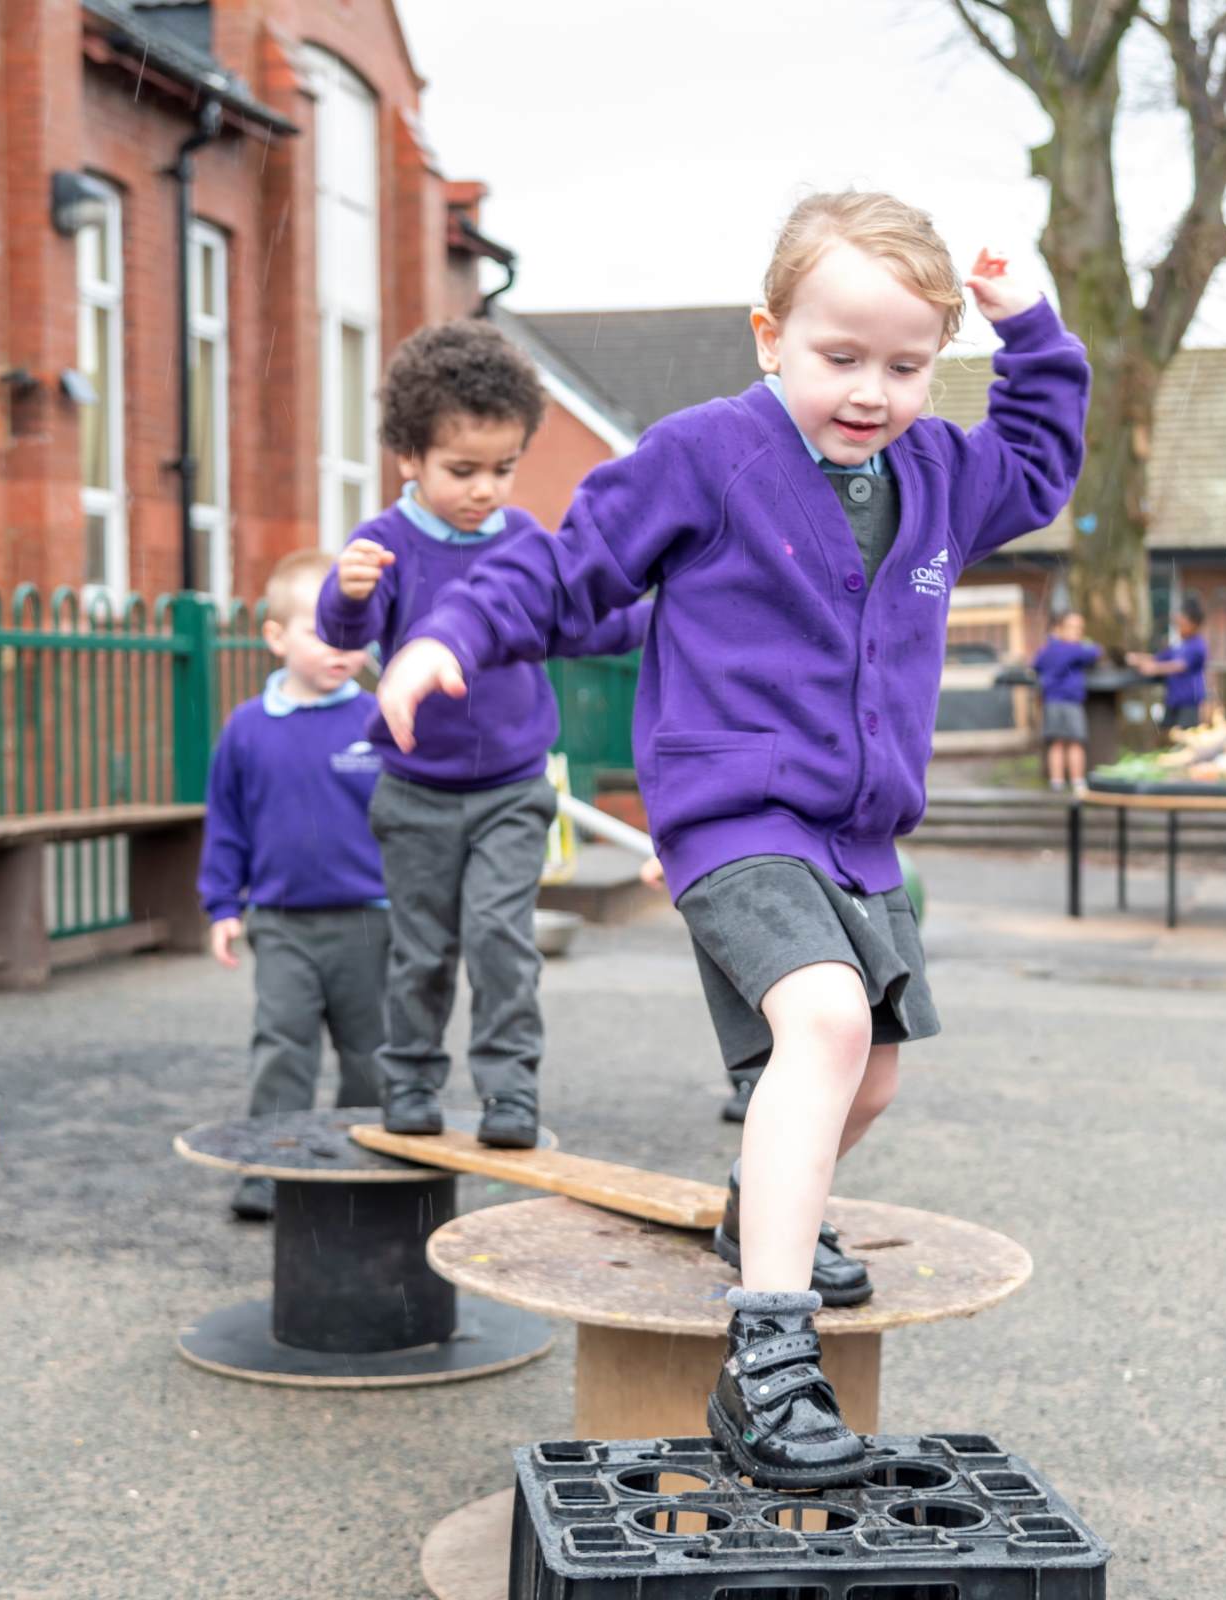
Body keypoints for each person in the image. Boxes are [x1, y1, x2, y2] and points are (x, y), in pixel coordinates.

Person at [372, 193, 1089, 1486]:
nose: (870, 390)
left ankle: (760, 1216)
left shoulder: (935, 475)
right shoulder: (705, 456)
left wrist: (1029, 328)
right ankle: (766, 1367)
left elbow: (1039, 460)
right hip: (733, 817)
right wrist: (444, 635)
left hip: (861, 839)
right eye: (839, 356)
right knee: (822, 1025)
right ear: (771, 337)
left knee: (866, 1077)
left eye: (905, 364)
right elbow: (563, 564)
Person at [316, 321, 649, 1151]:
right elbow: (345, 633)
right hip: (416, 793)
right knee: (422, 949)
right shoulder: (385, 544)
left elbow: (580, 625)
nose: (485, 490)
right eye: (462, 471)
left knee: (502, 942)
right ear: (410, 460)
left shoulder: (527, 544)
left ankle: (509, 1094)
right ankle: (413, 1082)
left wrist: (660, 616)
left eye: (502, 469)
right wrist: (346, 592)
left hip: (510, 787)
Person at [197, 550, 389, 1221]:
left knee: (372, 1055)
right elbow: (226, 821)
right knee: (282, 1049)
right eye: (322, 629)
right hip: (281, 921)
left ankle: (362, 1163)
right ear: (275, 637)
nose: (342, 644)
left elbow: (414, 821)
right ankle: (270, 1168)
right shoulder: (246, 728)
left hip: (372, 920)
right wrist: (223, 904)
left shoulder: (381, 718)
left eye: (354, 628)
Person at [1032, 609, 1101, 789]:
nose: (1077, 632)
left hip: (1051, 702)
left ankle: (1057, 781)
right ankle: (1078, 780)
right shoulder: (1074, 649)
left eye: (1080, 628)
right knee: (1075, 742)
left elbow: (1036, 664)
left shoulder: (1047, 649)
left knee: (1056, 742)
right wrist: (1087, 644)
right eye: (1072, 627)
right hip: (1070, 702)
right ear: (1059, 629)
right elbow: (1095, 652)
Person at [1129, 598, 1208, 731]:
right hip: (1173, 699)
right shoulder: (1178, 645)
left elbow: (1179, 665)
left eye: (1183, 624)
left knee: (1185, 735)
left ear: (1193, 624)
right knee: (1167, 733)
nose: (1179, 627)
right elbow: (1158, 658)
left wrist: (1154, 669)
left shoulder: (1198, 645)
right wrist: (1135, 658)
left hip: (1189, 701)